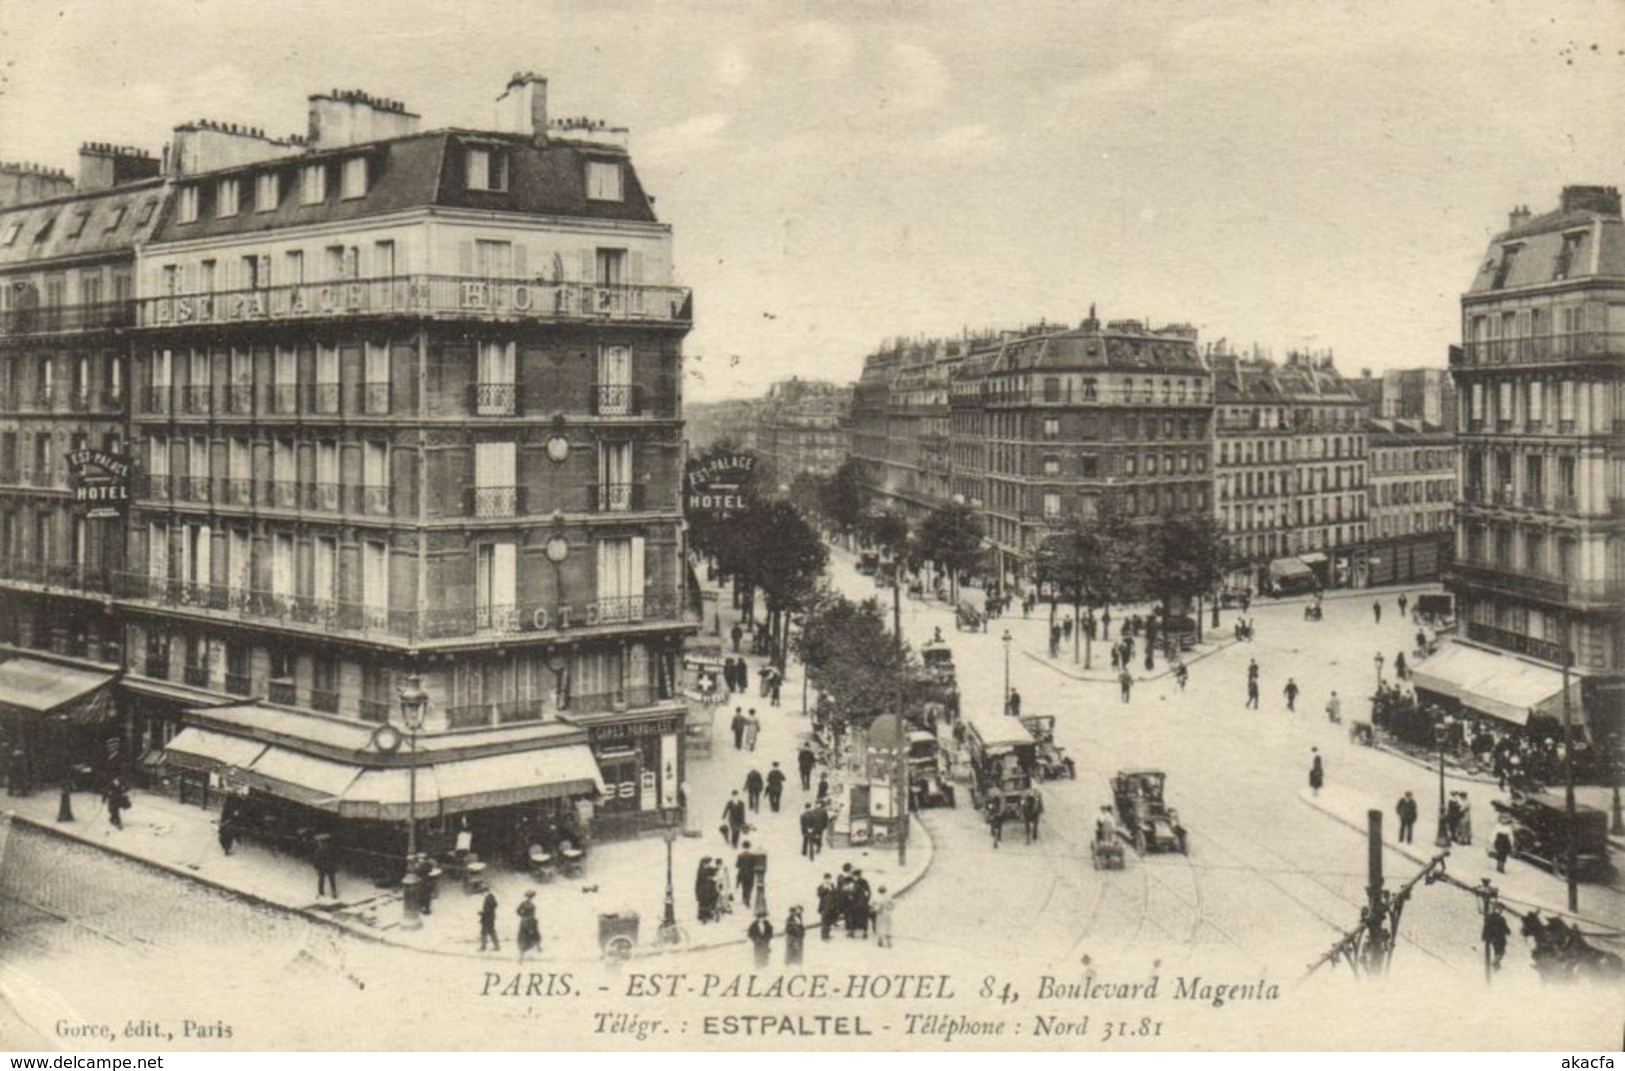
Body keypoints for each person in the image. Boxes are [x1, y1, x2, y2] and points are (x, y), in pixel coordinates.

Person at [1482, 904, 1510, 970]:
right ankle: (1495, 964)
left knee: (1499, 952)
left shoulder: (1489, 919)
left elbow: (1486, 928)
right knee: (1500, 952)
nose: (1500, 912)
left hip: (1495, 940)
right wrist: (1507, 931)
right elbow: (1506, 930)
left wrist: (1485, 936)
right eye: (1500, 910)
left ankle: (1495, 964)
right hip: (1499, 940)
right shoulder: (1501, 919)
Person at [516, 890, 541, 962]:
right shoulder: (531, 905)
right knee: (534, 935)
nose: (530, 898)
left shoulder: (524, 903)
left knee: (523, 937)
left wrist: (522, 916)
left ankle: (522, 954)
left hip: (524, 921)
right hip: (529, 921)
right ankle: (538, 947)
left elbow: (518, 911)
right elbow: (519, 911)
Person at [313, 834, 339, 899]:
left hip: (322, 867)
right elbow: (335, 857)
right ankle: (334, 892)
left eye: (319, 842)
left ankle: (321, 893)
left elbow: (316, 860)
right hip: (330, 866)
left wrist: (316, 867)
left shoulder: (318, 850)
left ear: (321, 842)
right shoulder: (331, 848)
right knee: (332, 879)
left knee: (321, 880)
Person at [696, 857, 720, 922]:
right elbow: (700, 880)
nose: (708, 865)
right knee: (703, 903)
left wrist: (718, 867)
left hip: (710, 889)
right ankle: (703, 916)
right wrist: (710, 878)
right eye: (707, 863)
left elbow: (714, 870)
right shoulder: (701, 871)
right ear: (703, 864)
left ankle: (708, 915)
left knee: (710, 902)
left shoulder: (709, 869)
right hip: (703, 890)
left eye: (708, 863)